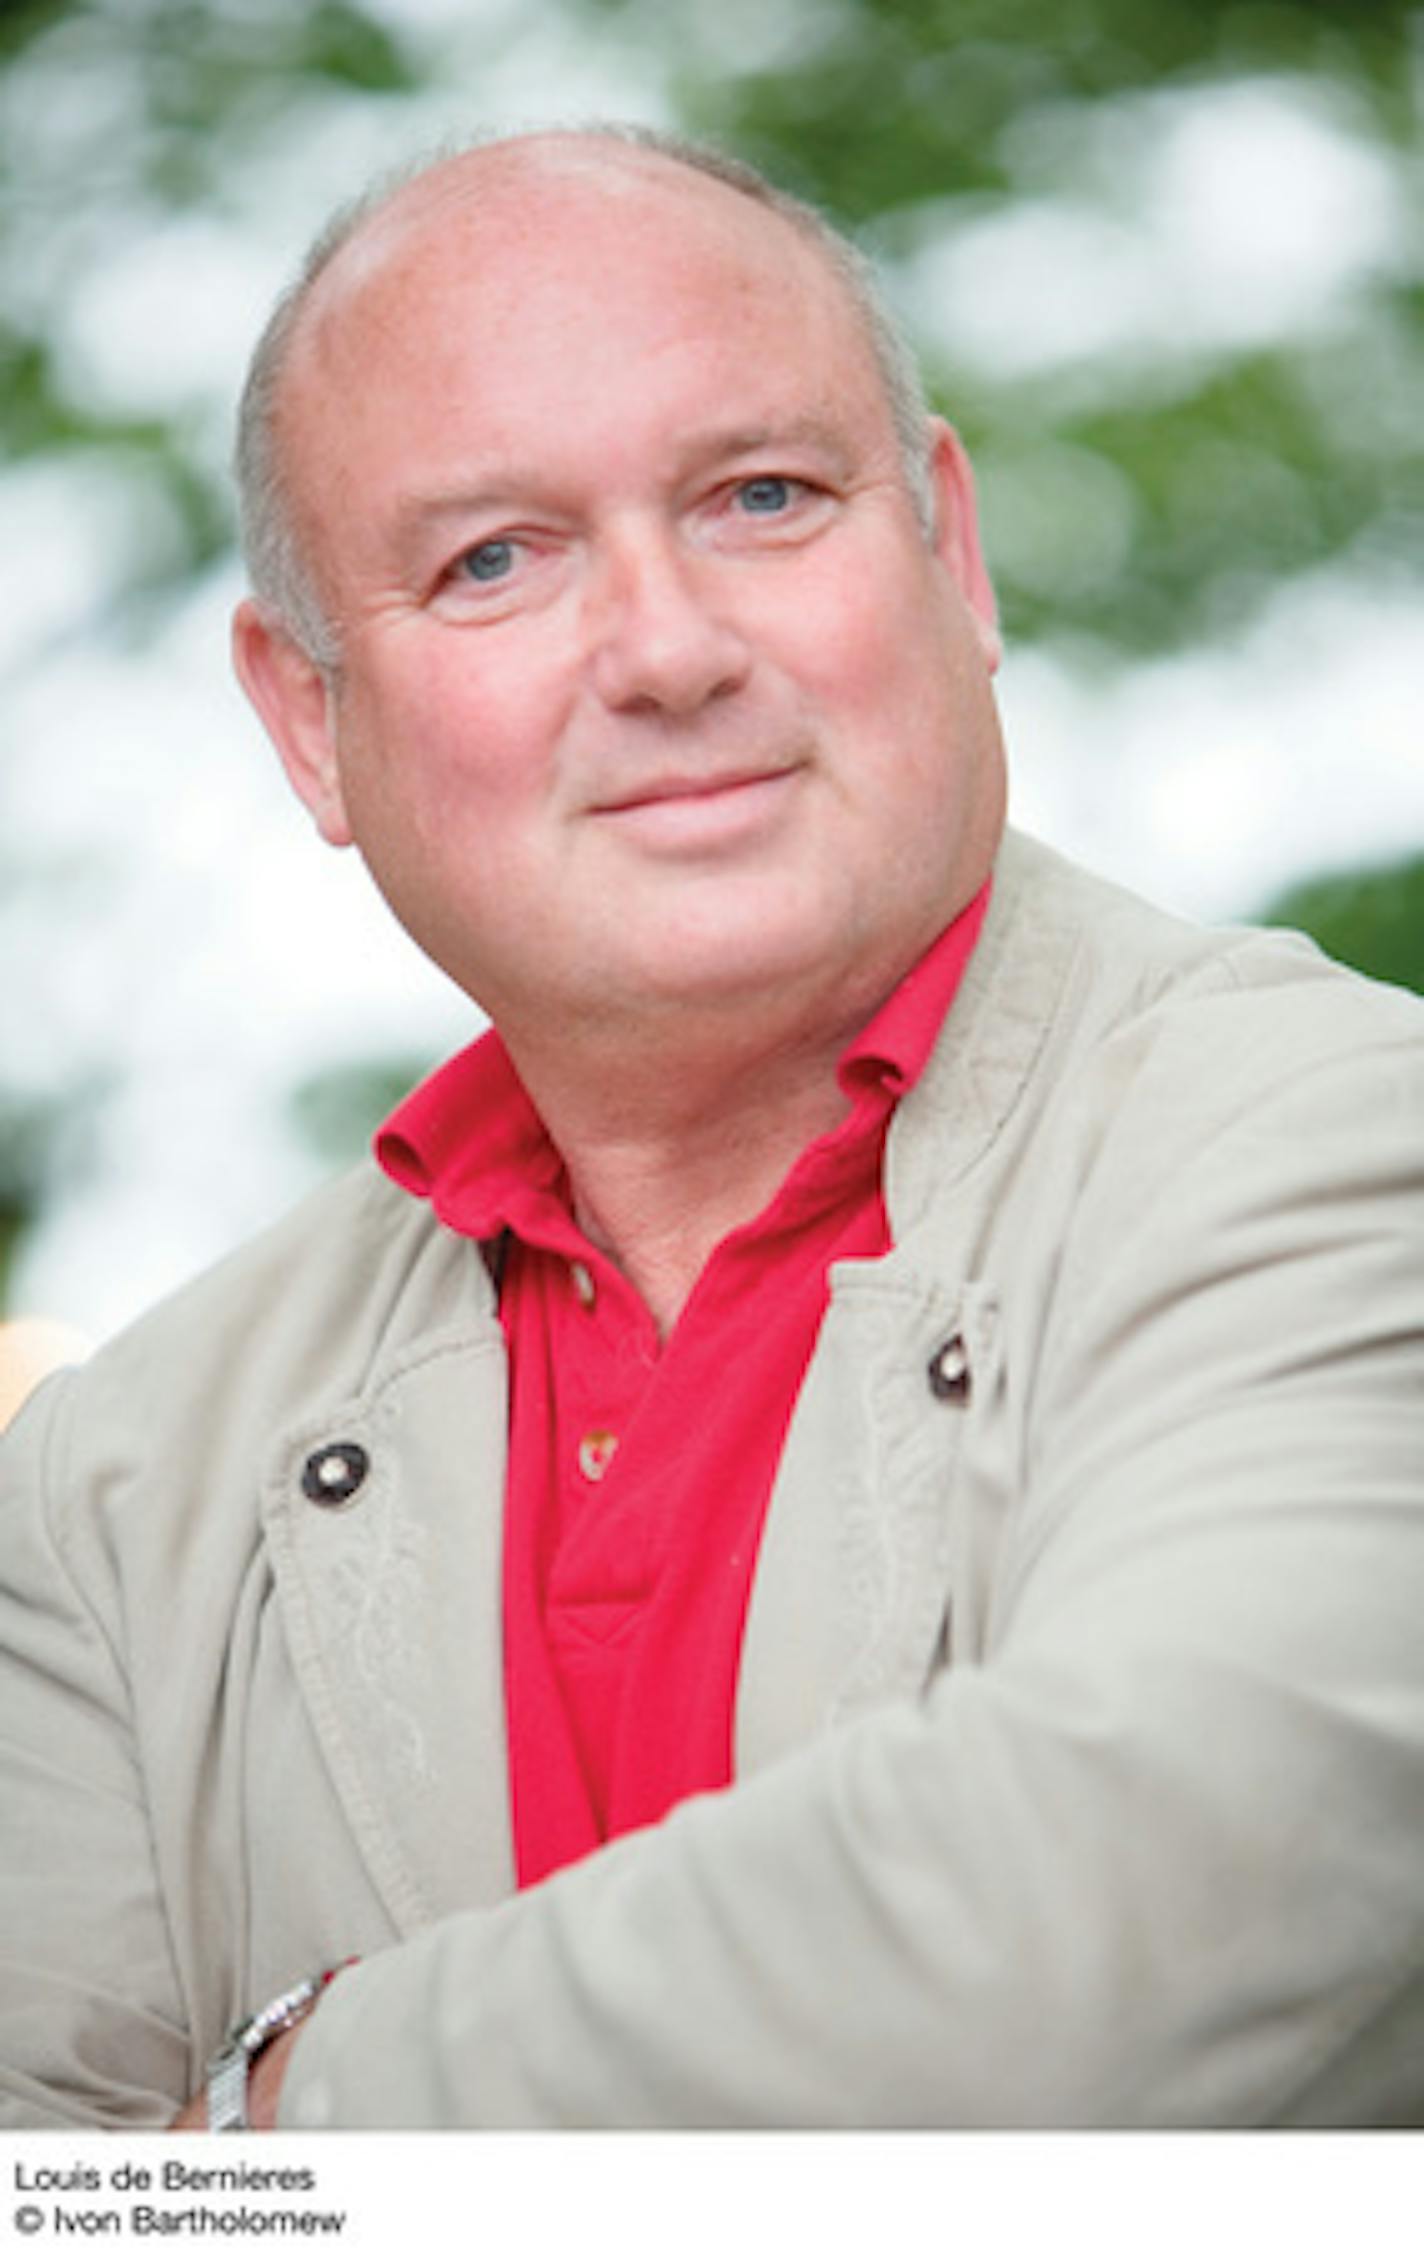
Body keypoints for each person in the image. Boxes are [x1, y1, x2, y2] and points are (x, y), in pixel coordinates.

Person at [2, 124, 1421, 2135]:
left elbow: (1116, 1934)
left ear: (952, 551)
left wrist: (279, 2106)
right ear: (309, 719)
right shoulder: (111, 1488)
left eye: (761, 497)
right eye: (492, 559)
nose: (666, 653)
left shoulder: (1345, 1144)